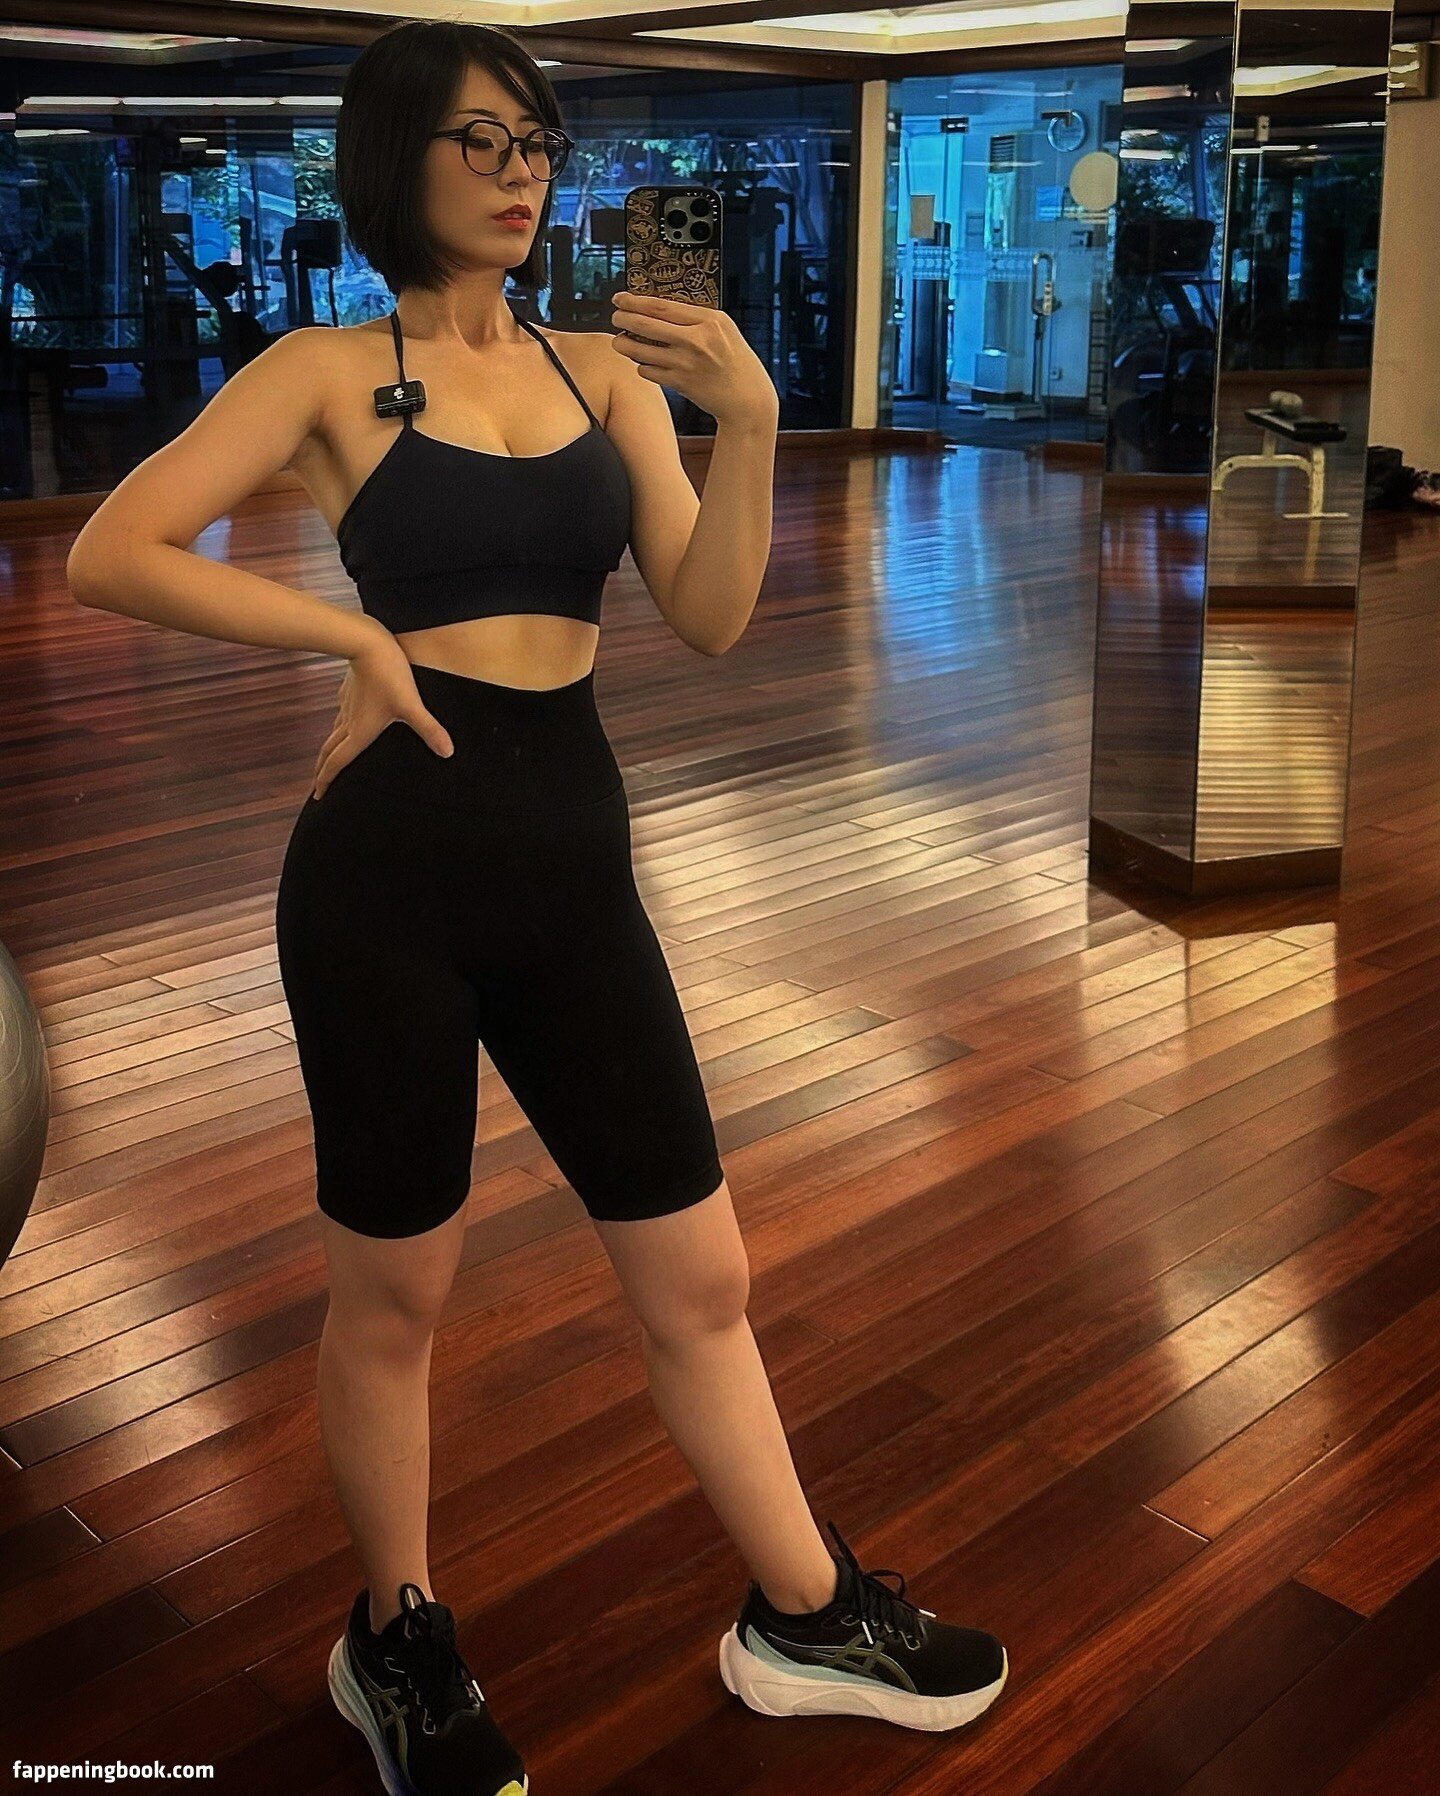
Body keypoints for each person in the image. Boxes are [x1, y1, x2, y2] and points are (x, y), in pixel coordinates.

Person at [64, 20, 1007, 1796]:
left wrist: (754, 419)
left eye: (538, 143)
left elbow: (709, 615)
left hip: (576, 868)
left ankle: (805, 1613)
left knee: (701, 1271)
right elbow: (110, 548)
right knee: (396, 1294)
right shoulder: (325, 371)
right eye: (482, 141)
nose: (522, 174)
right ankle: (395, 1639)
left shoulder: (605, 377)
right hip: (386, 877)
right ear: (397, 159)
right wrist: (350, 638)